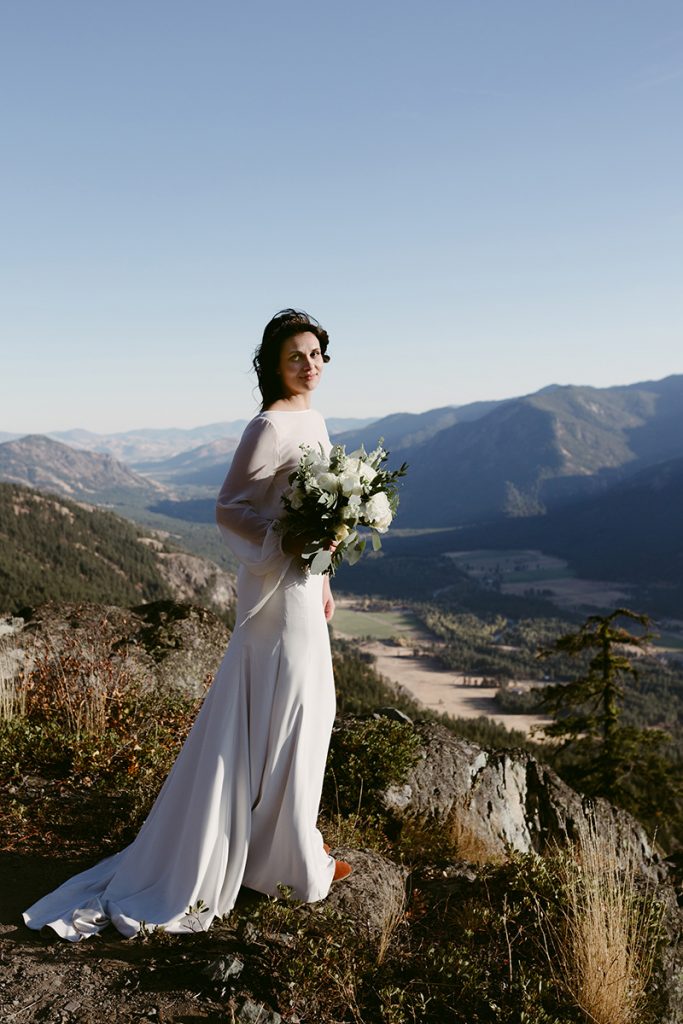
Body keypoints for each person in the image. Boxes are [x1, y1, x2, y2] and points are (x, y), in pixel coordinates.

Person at [23, 308, 350, 942]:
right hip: (279, 599)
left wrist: (326, 573)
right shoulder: (269, 427)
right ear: (274, 366)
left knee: (306, 714)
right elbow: (228, 509)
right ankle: (291, 863)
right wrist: (287, 540)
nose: (309, 365)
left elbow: (318, 505)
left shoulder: (315, 419)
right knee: (294, 714)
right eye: (296, 357)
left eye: (316, 355)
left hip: (306, 592)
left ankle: (282, 851)